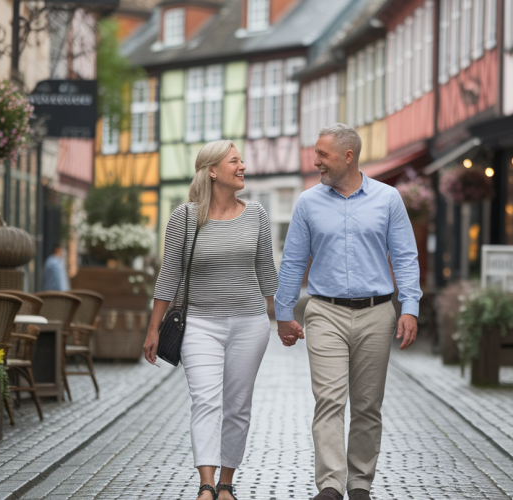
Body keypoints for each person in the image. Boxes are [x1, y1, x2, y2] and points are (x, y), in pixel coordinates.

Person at [274, 124, 421, 500]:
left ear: (348, 156)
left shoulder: (388, 199)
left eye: (322, 155)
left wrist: (410, 307)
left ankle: (359, 484)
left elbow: (405, 256)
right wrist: (283, 312)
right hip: (325, 312)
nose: (316, 161)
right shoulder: (308, 202)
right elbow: (292, 262)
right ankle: (330, 485)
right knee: (329, 400)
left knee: (368, 405)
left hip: (377, 313)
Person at [143, 140, 278, 500]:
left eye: (242, 160)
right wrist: (153, 328)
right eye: (235, 161)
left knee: (237, 405)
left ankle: (226, 484)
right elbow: (169, 274)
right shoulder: (184, 217)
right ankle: (206, 484)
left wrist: (285, 318)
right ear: (213, 171)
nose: (243, 166)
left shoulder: (258, 215)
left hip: (250, 324)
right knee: (206, 401)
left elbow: (266, 271)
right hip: (200, 324)